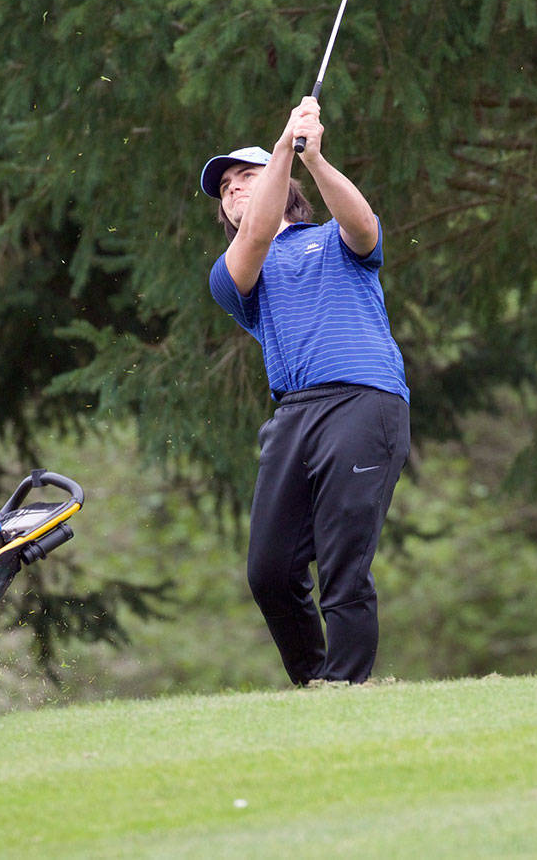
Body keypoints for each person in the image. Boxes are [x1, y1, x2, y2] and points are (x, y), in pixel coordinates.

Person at [201, 95, 410, 685]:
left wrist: (313, 159)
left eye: (246, 178)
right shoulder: (234, 270)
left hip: (365, 401)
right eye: (225, 190)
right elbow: (261, 229)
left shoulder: (334, 240)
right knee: (269, 571)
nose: (234, 191)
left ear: (285, 185)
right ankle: (314, 683)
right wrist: (277, 154)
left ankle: (345, 686)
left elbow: (365, 226)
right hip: (294, 415)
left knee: (344, 563)